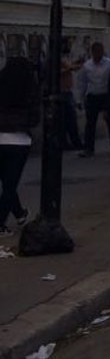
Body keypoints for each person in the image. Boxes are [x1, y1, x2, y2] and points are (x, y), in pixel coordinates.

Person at [0, 38, 39, 237]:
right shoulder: (28, 89)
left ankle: (20, 214)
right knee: (10, 184)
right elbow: (35, 119)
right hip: (19, 141)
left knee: (7, 183)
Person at [76, 41, 110, 156]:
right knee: (90, 123)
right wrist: (79, 99)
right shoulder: (87, 66)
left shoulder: (109, 64)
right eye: (95, 52)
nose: (97, 54)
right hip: (92, 96)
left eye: (99, 52)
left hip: (106, 95)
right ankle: (89, 148)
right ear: (92, 52)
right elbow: (82, 83)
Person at [58, 42, 83, 151]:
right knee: (67, 119)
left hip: (67, 91)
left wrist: (75, 64)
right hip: (62, 92)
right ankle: (69, 142)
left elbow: (70, 67)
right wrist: (72, 67)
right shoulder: (56, 59)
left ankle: (73, 142)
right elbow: (65, 69)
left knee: (69, 119)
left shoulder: (65, 58)